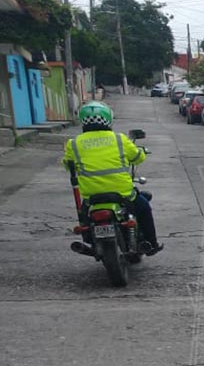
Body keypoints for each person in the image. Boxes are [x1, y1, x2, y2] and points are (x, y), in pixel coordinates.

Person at [63, 101, 163, 254]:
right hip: (122, 193)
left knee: (84, 216)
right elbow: (137, 157)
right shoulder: (119, 139)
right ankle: (152, 244)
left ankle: (90, 239)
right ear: (108, 119)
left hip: (92, 195)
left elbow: (68, 165)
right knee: (144, 207)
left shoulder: (73, 144)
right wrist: (140, 153)